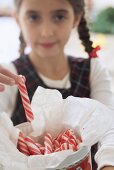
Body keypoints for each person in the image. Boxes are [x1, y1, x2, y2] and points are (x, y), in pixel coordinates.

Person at [0, 0, 114, 169]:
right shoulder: (9, 77)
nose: (46, 32)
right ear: (17, 19)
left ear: (76, 18)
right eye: (33, 17)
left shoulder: (92, 70)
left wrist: (108, 163)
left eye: (59, 16)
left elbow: (109, 126)